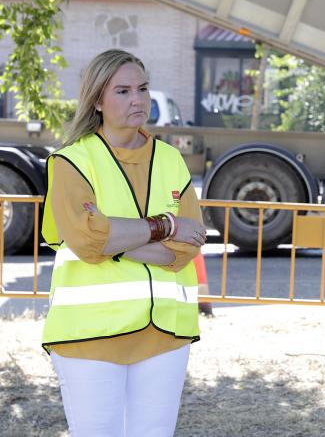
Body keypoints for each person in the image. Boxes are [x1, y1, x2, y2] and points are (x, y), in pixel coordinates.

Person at [41, 49, 206, 436]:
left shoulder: (170, 159)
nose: (138, 99)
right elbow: (85, 239)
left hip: (164, 336)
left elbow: (190, 244)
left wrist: (113, 240)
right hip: (89, 337)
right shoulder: (71, 162)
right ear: (97, 101)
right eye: (123, 91)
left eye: (143, 88)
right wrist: (165, 225)